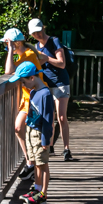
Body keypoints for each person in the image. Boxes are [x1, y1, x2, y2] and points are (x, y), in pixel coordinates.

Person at [1, 27, 47, 181]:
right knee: (19, 128)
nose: (6, 46)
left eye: (7, 43)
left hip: (34, 98)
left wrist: (10, 50)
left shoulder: (27, 55)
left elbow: (8, 71)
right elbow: (43, 58)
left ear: (17, 43)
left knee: (24, 129)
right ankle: (31, 164)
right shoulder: (26, 54)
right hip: (28, 98)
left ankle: (32, 165)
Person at [8, 60, 53, 204]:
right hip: (31, 132)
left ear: (32, 78)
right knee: (36, 163)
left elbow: (48, 120)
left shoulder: (45, 94)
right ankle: (37, 189)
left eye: (24, 81)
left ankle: (43, 194)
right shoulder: (33, 92)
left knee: (43, 164)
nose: (23, 85)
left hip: (40, 134)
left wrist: (46, 140)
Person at [28, 18, 72, 160]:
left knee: (61, 117)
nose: (37, 35)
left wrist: (47, 58)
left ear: (43, 28)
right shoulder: (36, 47)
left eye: (38, 31)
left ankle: (66, 149)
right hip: (46, 85)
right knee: (49, 117)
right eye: (34, 33)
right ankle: (50, 146)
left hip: (60, 83)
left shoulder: (54, 41)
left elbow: (62, 63)